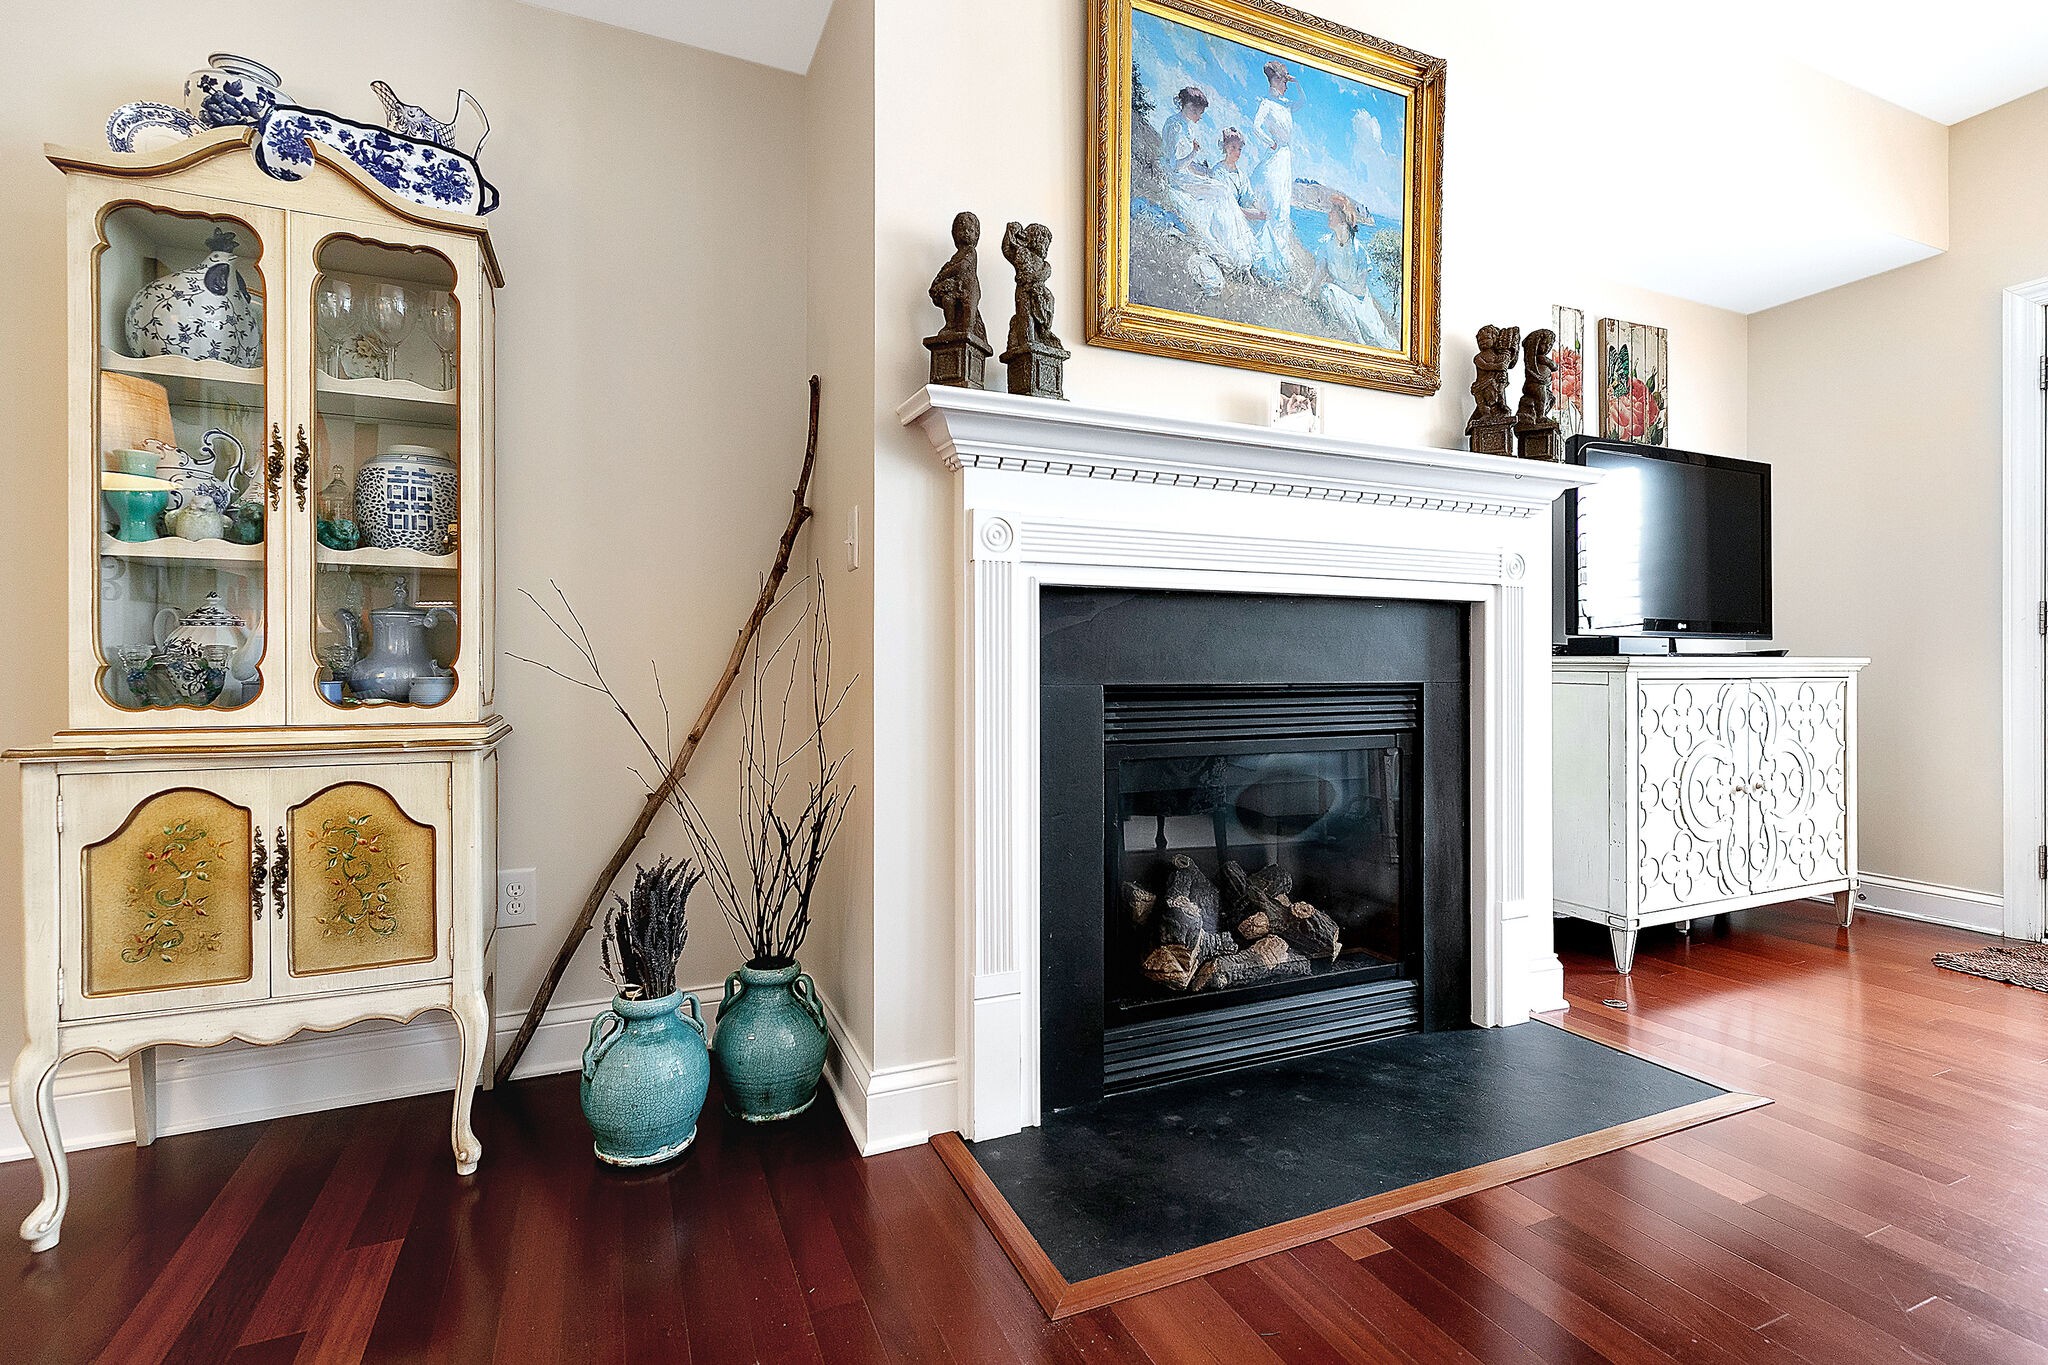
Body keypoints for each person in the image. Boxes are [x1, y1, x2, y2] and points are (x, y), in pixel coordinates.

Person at [1158, 85, 1258, 272]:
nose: (1200, 116)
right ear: (1187, 106)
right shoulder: (1175, 125)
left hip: (1184, 174)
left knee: (1220, 191)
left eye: (1201, 112)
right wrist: (1194, 153)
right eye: (1198, 111)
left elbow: (1189, 165)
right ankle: (1231, 247)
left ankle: (1236, 247)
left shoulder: (1187, 126)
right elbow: (1176, 165)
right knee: (1222, 191)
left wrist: (1205, 171)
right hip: (1177, 177)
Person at [1310, 195, 1396, 348]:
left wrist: (1336, 284)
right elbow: (1317, 276)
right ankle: (1358, 342)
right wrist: (1307, 293)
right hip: (1340, 299)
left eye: (1333, 212)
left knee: (1381, 341)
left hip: (1361, 304)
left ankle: (1361, 341)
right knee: (1328, 291)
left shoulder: (1359, 251)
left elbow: (1360, 289)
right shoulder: (1325, 245)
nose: (1329, 215)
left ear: (1343, 219)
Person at [1216, 128, 1289, 284]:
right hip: (1227, 215)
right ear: (1225, 148)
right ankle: (1255, 270)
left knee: (1264, 223)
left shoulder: (1241, 175)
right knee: (1255, 225)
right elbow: (1226, 204)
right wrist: (1252, 214)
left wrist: (1259, 209)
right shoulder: (1219, 171)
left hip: (1240, 212)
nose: (1237, 152)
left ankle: (1268, 271)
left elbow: (1250, 196)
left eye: (1239, 149)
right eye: (1233, 148)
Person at [1253, 62, 1302, 262]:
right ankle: (1265, 252)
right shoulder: (1267, 102)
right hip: (1275, 154)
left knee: (1283, 203)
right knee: (1273, 200)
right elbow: (1256, 126)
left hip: (1285, 157)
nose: (1286, 86)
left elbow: (1303, 101)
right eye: (1285, 81)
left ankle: (1278, 253)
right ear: (1276, 80)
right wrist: (1270, 142)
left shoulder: (1286, 103)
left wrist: (1296, 82)